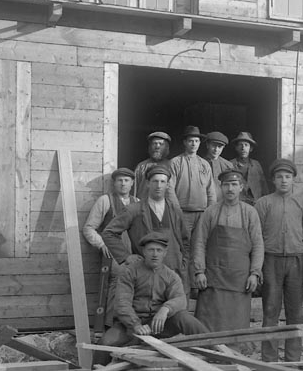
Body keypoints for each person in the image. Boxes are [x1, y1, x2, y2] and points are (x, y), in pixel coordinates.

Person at [96, 232, 208, 363]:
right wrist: (136, 325)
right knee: (105, 343)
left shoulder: (171, 276)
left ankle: (217, 350)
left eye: (159, 250)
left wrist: (165, 309)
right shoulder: (129, 272)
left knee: (184, 318)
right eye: (151, 250)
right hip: (129, 325)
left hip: (158, 324)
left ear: (165, 253)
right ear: (144, 251)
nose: (155, 254)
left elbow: (180, 299)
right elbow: (122, 304)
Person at [193, 168, 264, 332]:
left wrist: (255, 273)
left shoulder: (250, 213)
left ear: (241, 187)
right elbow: (199, 242)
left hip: (239, 280)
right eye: (226, 185)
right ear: (221, 187)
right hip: (213, 279)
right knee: (208, 326)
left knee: (236, 327)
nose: (230, 189)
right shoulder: (210, 212)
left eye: (234, 184)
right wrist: (199, 271)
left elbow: (258, 245)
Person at [255, 158, 303, 363]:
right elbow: (256, 237)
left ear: (293, 179)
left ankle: (293, 359)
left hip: (296, 262)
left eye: (288, 177)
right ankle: (269, 360)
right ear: (273, 180)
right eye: (279, 177)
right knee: (270, 310)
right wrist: (257, 267)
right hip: (271, 261)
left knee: (295, 312)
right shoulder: (263, 203)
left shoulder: (302, 204)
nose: (284, 180)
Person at [103, 164, 190, 292]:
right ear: (148, 183)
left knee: (176, 303)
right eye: (155, 181)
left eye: (162, 182)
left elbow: (185, 240)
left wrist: (184, 262)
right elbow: (109, 233)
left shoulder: (175, 210)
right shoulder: (134, 209)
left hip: (174, 272)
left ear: (167, 185)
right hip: (146, 273)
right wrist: (126, 256)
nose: (159, 186)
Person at [82, 167, 139, 328]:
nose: (123, 184)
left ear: (132, 183)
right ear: (114, 183)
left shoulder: (138, 202)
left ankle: (132, 323)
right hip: (114, 252)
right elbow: (89, 228)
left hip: (133, 252)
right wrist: (101, 244)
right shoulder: (105, 201)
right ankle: (112, 324)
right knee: (118, 283)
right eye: (119, 180)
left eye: (126, 180)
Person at [167, 125, 216, 290]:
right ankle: (183, 287)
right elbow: (169, 189)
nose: (194, 144)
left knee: (199, 247)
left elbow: (210, 190)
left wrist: (210, 212)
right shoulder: (175, 162)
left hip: (202, 213)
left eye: (196, 141)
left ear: (200, 143)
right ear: (184, 142)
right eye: (190, 141)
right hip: (182, 213)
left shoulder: (204, 164)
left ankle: (196, 286)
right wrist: (177, 212)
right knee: (183, 249)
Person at [230, 131, 269, 206]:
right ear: (236, 148)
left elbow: (264, 187)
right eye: (240, 145)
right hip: (237, 205)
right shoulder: (230, 164)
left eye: (246, 145)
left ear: (251, 148)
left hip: (255, 204)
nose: (243, 148)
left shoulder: (256, 165)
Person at [134, 131, 172, 200]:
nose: (157, 146)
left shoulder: (171, 165)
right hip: (143, 204)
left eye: (161, 144)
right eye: (155, 143)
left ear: (166, 147)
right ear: (150, 146)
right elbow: (134, 189)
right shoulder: (141, 166)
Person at [204, 131, 234, 202]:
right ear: (207, 145)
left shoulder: (228, 165)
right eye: (213, 145)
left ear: (223, 147)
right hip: (203, 202)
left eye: (219, 147)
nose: (216, 149)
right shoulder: (199, 163)